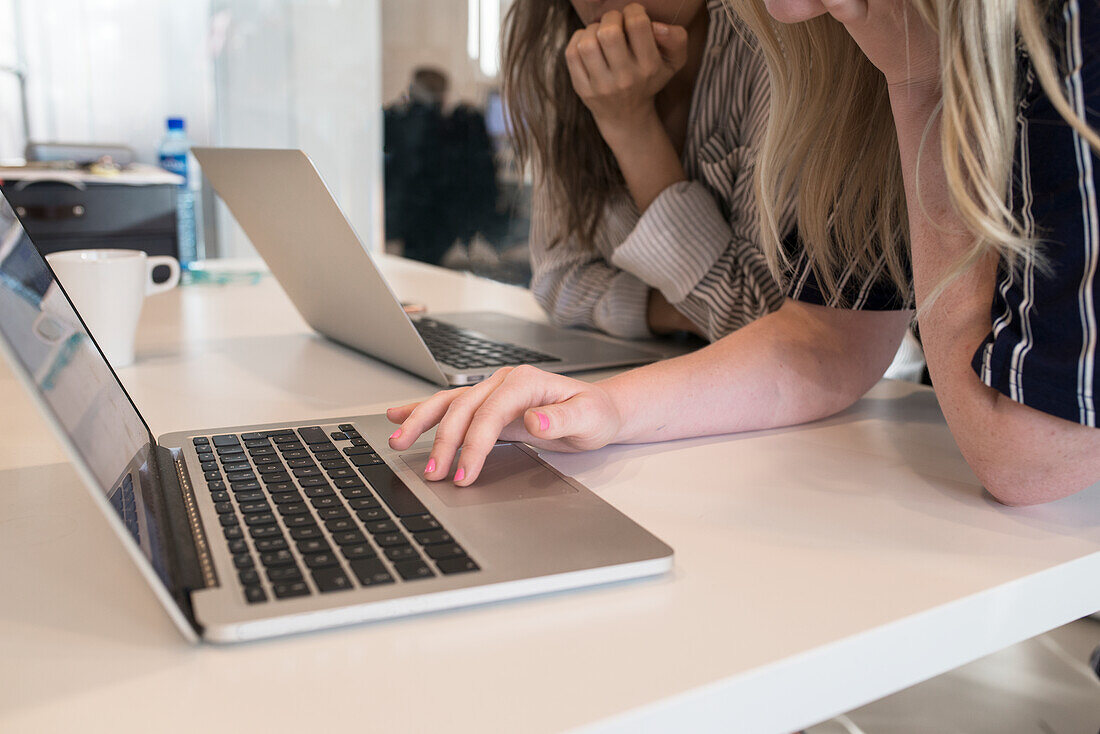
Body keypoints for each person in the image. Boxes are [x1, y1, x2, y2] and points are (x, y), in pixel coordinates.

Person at [385, 0, 1100, 506]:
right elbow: (822, 331)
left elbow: (1030, 453)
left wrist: (921, 84)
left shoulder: (794, 37)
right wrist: (604, 407)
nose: (786, 8)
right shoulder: (832, 38)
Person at [504, 0, 788, 341]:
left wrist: (630, 126)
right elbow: (557, 279)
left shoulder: (780, 49)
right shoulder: (573, 65)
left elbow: (775, 325)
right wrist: (674, 312)